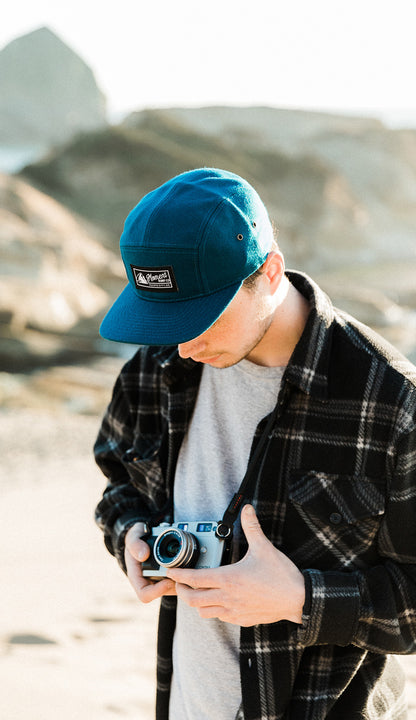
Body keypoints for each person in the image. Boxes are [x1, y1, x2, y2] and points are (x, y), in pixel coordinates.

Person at [94, 167, 416, 720]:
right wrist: (130, 536)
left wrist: (301, 598)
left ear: (269, 273)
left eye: (202, 318)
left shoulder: (391, 402)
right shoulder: (157, 367)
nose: (184, 343)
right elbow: (118, 483)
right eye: (166, 319)